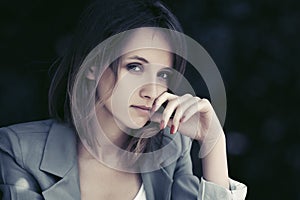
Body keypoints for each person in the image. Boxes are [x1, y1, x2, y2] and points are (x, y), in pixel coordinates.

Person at [0, 0, 247, 199]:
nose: (151, 91)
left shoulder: (171, 148)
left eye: (163, 74)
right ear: (93, 65)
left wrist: (213, 142)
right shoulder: (18, 150)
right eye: (135, 67)